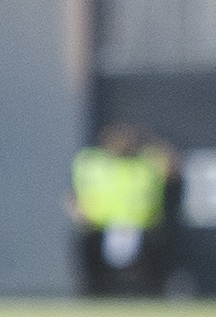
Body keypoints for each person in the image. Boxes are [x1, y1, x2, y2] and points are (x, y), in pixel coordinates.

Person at [70, 121, 171, 297]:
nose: (121, 144)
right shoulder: (91, 162)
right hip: (99, 228)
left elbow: (172, 166)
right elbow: (73, 195)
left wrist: (149, 140)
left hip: (141, 229)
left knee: (146, 276)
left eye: (125, 139)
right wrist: (78, 212)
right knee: (94, 277)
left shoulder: (148, 163)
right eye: (116, 139)